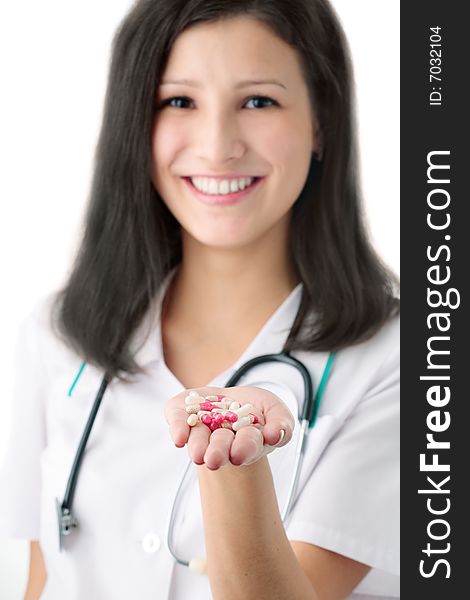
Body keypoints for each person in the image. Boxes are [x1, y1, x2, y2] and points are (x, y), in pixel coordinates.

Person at [0, 1, 400, 599]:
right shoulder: (56, 336)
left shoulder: (406, 359)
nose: (217, 147)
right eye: (179, 101)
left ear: (322, 123)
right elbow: (40, 580)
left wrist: (235, 464)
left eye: (259, 100)